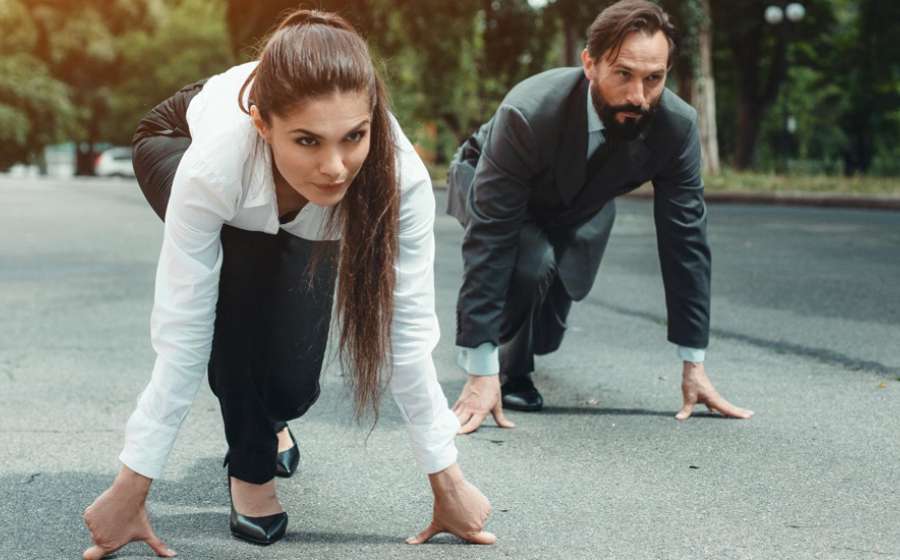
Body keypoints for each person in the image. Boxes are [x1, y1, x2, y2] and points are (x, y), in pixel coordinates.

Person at [82, 10, 494, 559]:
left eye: (354, 136)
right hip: (175, 137)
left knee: (293, 387)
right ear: (264, 126)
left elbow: (408, 334)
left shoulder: (399, 177)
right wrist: (133, 486)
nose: (335, 167)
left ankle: (271, 420)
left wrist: (448, 481)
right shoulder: (213, 171)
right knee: (243, 275)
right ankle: (252, 472)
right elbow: (183, 334)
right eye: (308, 141)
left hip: (271, 178)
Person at [448, 0, 754, 432]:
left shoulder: (676, 126)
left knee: (547, 328)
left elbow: (686, 242)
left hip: (580, 199)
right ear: (589, 63)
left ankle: (518, 351)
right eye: (623, 74)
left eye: (654, 79)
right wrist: (481, 370)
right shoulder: (528, 112)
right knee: (529, 262)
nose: (638, 96)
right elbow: (491, 240)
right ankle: (503, 371)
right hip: (488, 179)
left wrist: (694, 363)